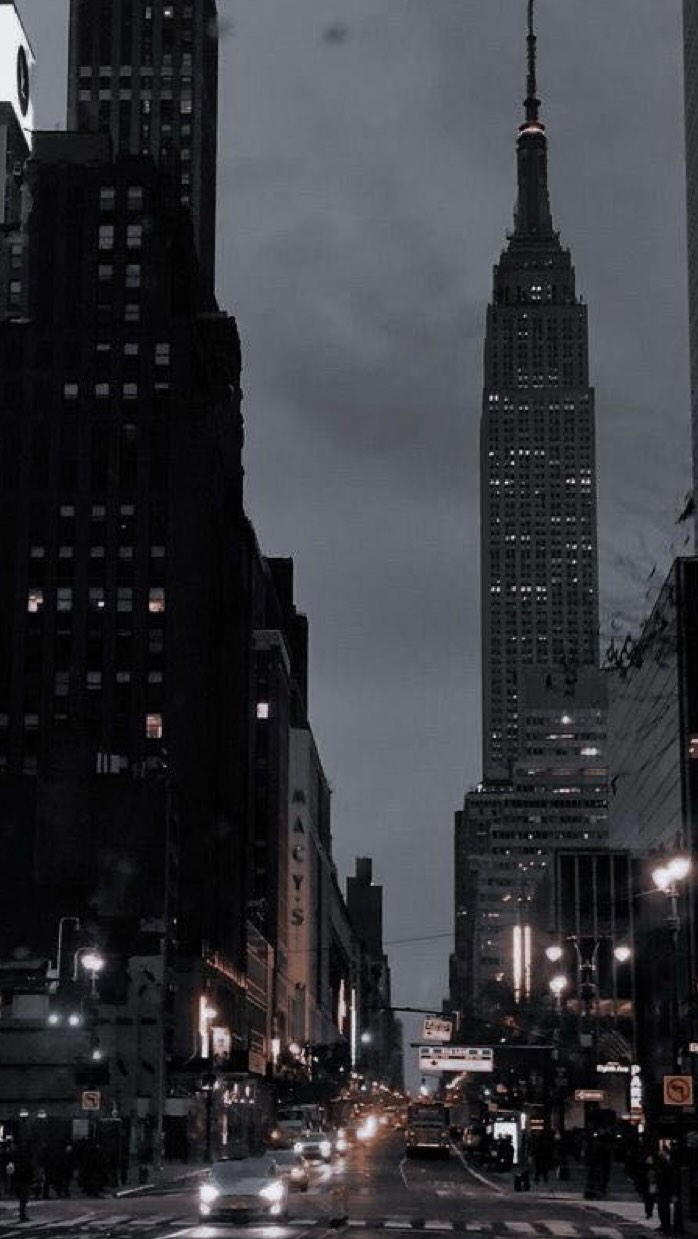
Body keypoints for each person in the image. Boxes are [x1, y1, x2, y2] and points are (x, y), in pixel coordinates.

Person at [12, 1143, 33, 1223]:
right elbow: (29, 1170)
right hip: (24, 1180)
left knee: (22, 1198)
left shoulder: (16, 1161)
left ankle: (22, 1214)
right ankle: (22, 1215)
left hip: (19, 1179)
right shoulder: (26, 1162)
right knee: (24, 1198)